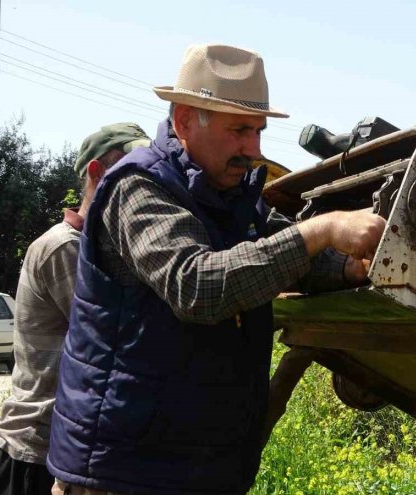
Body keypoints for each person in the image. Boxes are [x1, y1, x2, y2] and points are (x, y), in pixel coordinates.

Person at [46, 43, 386, 495]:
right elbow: (197, 286)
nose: (254, 149)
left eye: (259, 131)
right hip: (126, 473)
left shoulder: (230, 194)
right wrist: (320, 230)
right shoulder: (139, 187)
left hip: (194, 468)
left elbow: (283, 254)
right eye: (239, 130)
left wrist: (349, 269)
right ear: (185, 120)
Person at [0, 123, 151, 495]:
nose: (143, 187)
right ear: (97, 172)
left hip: (67, 453)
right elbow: (123, 341)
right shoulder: (66, 248)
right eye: (130, 173)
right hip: (33, 455)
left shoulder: (103, 250)